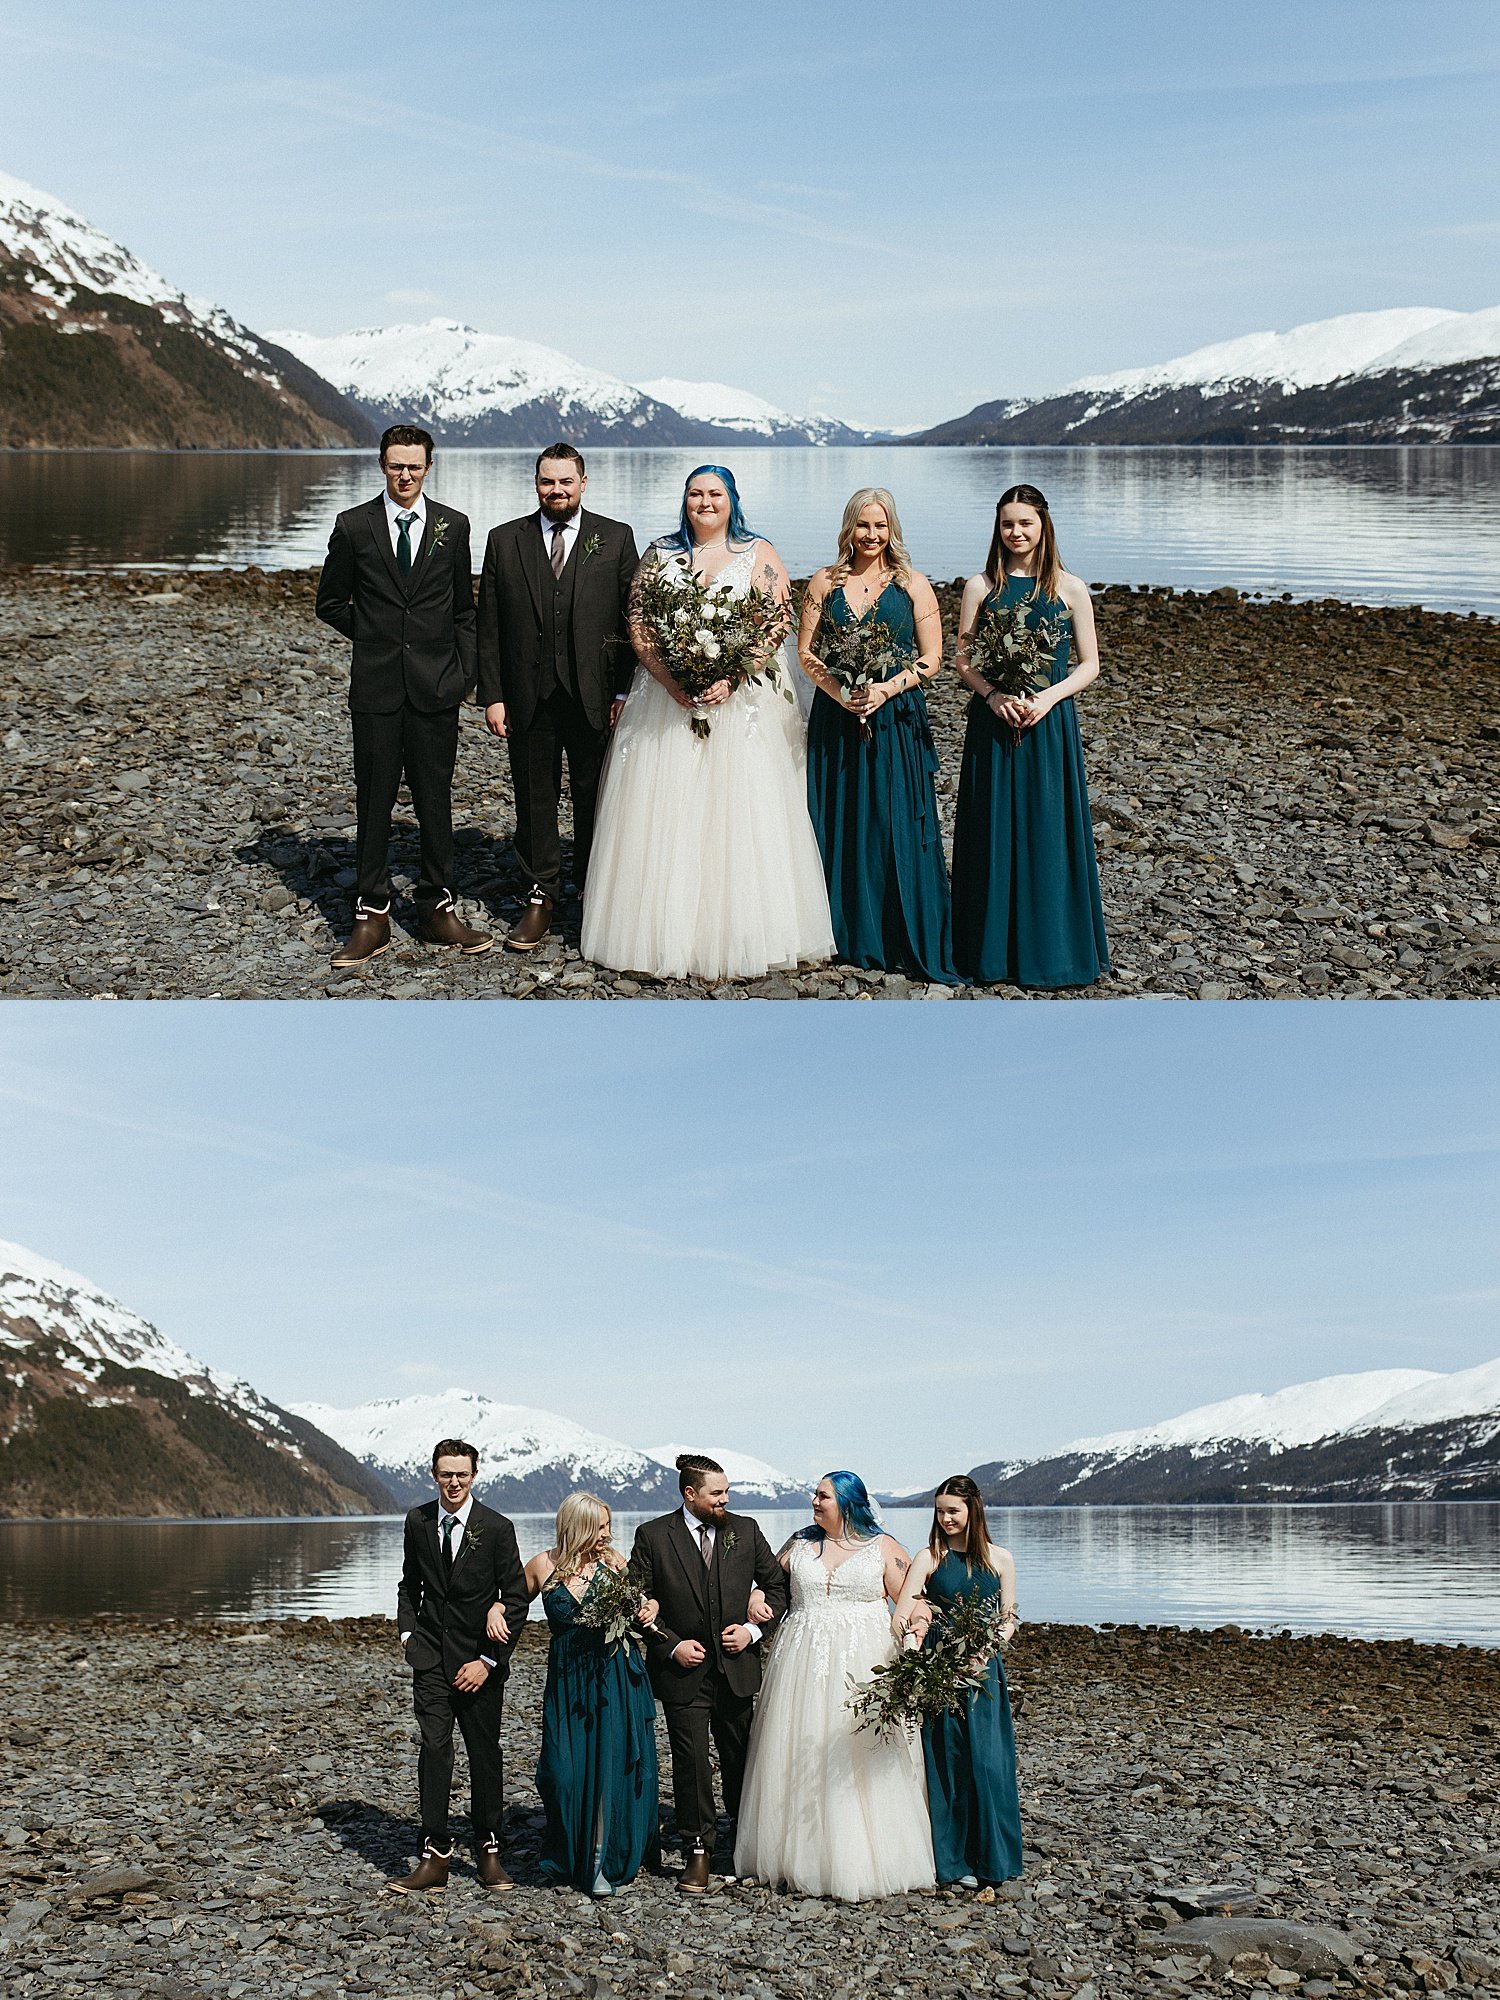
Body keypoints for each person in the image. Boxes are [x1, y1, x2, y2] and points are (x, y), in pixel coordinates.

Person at [580, 466, 834, 982]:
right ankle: (655, 932)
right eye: (695, 494)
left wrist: (736, 675)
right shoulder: (660, 553)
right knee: (664, 806)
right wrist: (669, 678)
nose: (705, 502)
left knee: (739, 809)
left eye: (715, 494)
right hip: (666, 698)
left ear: (732, 500)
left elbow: (777, 621)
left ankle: (741, 932)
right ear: (685, 501)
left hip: (739, 701)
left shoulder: (758, 553)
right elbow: (638, 622)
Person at [315, 424, 492, 968]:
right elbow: (330, 602)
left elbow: (465, 609)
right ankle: (371, 914)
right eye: (396, 465)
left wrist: (462, 674)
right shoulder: (353, 526)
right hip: (376, 688)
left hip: (437, 688)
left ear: (428, 467)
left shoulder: (453, 526)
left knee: (435, 801)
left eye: (414, 465)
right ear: (382, 465)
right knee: (373, 801)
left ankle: (438, 908)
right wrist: (375, 637)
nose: (405, 474)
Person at [734, 1472, 935, 1901]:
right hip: (800, 1658)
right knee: (798, 1742)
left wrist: (917, 1625)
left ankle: (866, 1855)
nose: (814, 1501)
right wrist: (755, 1598)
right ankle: (798, 1855)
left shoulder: (883, 1548)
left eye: (822, 1495)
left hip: (863, 1659)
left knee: (856, 1750)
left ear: (845, 1502)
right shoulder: (798, 1545)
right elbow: (769, 1583)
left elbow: (911, 1600)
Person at [476, 444, 640, 952]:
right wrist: (493, 696)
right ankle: (539, 895)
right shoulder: (505, 540)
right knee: (533, 798)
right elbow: (490, 628)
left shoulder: (615, 538)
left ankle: (593, 891)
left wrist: (621, 691)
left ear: (583, 482)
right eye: (548, 482)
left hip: (594, 696)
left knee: (594, 796)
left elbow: (629, 623)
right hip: (527, 696)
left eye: (566, 482)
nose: (557, 491)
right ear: (536, 483)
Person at [950, 483, 1109, 988]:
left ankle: (1053, 951)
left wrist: (1047, 698)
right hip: (993, 725)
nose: (1016, 533)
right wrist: (993, 696)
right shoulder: (980, 588)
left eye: (1026, 523)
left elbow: (1090, 665)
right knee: (991, 830)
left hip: (1047, 724)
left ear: (1044, 526)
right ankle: (989, 954)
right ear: (997, 529)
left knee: (1047, 831)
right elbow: (963, 662)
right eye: (1007, 524)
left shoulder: (1070, 587)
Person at [799, 488, 958, 985]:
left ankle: (898, 933)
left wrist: (886, 689)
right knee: (843, 819)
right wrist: (838, 689)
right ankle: (843, 933)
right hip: (837, 719)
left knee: (894, 822)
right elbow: (806, 654)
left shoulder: (913, 585)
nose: (871, 536)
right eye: (863, 526)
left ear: (893, 530)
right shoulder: (824, 582)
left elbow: (932, 659)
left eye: (881, 526)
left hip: (896, 718)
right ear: (849, 528)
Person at [629, 1453, 788, 1890]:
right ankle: (697, 1847)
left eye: (727, 1492)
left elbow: (778, 1585)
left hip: (736, 1669)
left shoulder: (746, 1529)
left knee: (741, 1757)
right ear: (690, 1494)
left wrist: (755, 1629)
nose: (725, 1499)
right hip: (682, 1673)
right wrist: (670, 1643)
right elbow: (631, 1602)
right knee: (691, 1761)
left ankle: (744, 1840)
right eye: (717, 1493)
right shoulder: (653, 1535)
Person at [391, 1438, 529, 1894]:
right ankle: (436, 1854)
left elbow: (515, 1599)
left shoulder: (497, 1527)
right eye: (446, 1474)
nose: (454, 1482)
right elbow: (410, 1586)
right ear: (434, 1474)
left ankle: (489, 1849)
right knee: (434, 1749)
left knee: (484, 1754)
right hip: (430, 1657)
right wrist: (409, 1636)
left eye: (462, 1474)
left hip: (479, 1662)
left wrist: (489, 1661)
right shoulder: (418, 1521)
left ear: (475, 1475)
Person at [525, 1493, 661, 1896]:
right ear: (577, 1526)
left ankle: (602, 1859)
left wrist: (649, 1607)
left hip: (613, 1677)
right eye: (599, 1527)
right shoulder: (542, 1565)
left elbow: (642, 1607)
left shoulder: (615, 1563)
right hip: (568, 1681)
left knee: (609, 1768)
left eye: (608, 1526)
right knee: (561, 1772)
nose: (607, 1534)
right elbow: (510, 1602)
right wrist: (497, 1611)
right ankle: (570, 1852)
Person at [891, 1474, 1023, 1888]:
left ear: (973, 1511)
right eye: (940, 1511)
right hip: (940, 1668)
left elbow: (1009, 1618)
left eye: (953, 1511)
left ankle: (993, 1858)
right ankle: (952, 1862)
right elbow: (902, 1613)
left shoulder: (1000, 1559)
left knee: (987, 1762)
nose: (945, 1518)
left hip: (983, 1672)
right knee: (947, 1761)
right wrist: (913, 1640)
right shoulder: (928, 1558)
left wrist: (985, 1650)